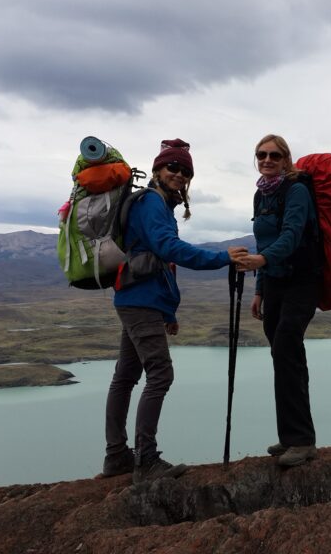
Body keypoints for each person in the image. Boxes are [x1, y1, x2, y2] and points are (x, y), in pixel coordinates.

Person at [100, 138, 247, 483]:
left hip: (138, 299)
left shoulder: (156, 204)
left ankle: (117, 456)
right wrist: (222, 257)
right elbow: (170, 248)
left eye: (185, 171)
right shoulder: (152, 203)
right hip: (140, 302)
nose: (179, 174)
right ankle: (145, 461)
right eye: (173, 167)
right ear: (157, 170)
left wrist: (168, 312)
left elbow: (159, 261)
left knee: (125, 377)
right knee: (160, 374)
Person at [238, 134, 322, 467]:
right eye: (261, 155)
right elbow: (265, 240)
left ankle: (301, 440)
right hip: (274, 283)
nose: (267, 160)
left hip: (303, 280)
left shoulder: (297, 190)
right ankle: (292, 437)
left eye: (274, 155)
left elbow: (291, 235)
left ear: (286, 159)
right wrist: (259, 290)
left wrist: (261, 262)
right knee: (281, 353)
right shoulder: (261, 195)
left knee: (287, 345)